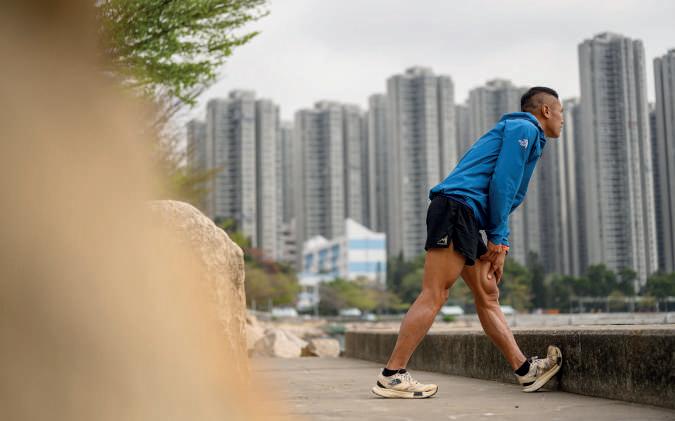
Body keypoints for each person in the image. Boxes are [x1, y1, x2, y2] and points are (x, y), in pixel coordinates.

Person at [372, 87, 565, 399]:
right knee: (435, 292)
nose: (562, 119)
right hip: (456, 209)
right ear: (545, 111)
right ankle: (392, 375)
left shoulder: (522, 132)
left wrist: (495, 237)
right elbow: (503, 182)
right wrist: (499, 240)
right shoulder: (524, 128)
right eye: (561, 112)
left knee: (487, 294)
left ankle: (525, 370)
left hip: (466, 215)